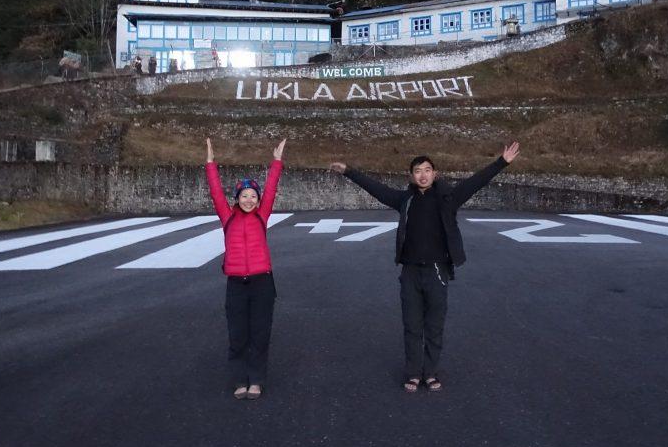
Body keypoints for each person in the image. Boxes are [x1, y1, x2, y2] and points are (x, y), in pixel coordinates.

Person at [330, 142, 520, 393]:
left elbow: (476, 182)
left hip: (437, 271)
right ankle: (412, 372)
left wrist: (501, 162)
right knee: (411, 325)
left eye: (427, 169)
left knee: (434, 325)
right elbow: (376, 189)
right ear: (411, 176)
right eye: (417, 170)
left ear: (435, 174)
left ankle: (430, 372)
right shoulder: (404, 200)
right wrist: (348, 171)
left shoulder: (448, 198)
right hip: (410, 272)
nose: (423, 174)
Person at [206, 136, 286, 400]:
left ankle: (257, 380)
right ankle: (240, 379)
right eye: (244, 195)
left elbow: (272, 189)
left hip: (262, 282)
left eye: (253, 196)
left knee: (260, 333)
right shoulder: (227, 218)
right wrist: (210, 163)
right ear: (237, 198)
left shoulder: (262, 216)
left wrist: (276, 162)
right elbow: (216, 193)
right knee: (238, 334)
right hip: (236, 284)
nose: (249, 200)